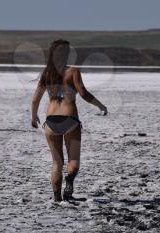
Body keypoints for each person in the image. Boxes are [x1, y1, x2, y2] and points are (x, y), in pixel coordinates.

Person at [31, 39, 107, 202]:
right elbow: (84, 94)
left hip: (51, 121)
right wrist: (100, 106)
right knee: (73, 161)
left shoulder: (47, 73)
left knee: (56, 162)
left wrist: (33, 116)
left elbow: (35, 100)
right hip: (70, 120)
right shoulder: (73, 72)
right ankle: (69, 182)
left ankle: (58, 198)